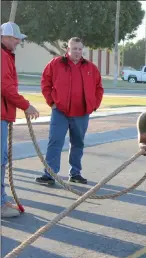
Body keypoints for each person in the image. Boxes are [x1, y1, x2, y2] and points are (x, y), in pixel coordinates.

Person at [35, 37, 104, 186]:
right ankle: (50, 174)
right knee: (55, 142)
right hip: (60, 113)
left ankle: (75, 173)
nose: (78, 52)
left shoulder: (91, 68)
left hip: (82, 114)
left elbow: (99, 88)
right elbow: (45, 82)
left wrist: (94, 105)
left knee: (78, 143)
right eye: (75, 48)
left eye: (80, 49)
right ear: (68, 49)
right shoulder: (55, 64)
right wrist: (51, 102)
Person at [1, 22, 40, 218]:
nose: (18, 42)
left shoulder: (5, 55)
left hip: (3, 114)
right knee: (0, 160)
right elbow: (5, 88)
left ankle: (1, 199)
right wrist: (26, 105)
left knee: (1, 159)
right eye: (16, 39)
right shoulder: (2, 57)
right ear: (6, 38)